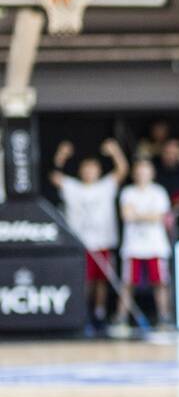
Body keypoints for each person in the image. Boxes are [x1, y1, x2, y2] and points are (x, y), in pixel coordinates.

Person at [50, 138, 129, 331]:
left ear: (98, 171)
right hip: (80, 244)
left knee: (101, 281)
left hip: (102, 241)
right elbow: (54, 177)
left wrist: (115, 151)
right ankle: (82, 313)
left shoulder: (105, 186)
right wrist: (61, 156)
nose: (89, 172)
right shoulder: (72, 187)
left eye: (92, 169)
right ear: (80, 171)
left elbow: (122, 170)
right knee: (84, 281)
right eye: (86, 169)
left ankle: (99, 314)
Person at [115, 160, 173, 331]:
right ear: (134, 174)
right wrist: (148, 215)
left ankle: (164, 317)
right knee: (127, 284)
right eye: (139, 172)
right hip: (133, 246)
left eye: (145, 172)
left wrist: (138, 214)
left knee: (160, 282)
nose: (142, 176)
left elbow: (159, 217)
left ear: (152, 174)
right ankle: (121, 318)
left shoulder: (159, 192)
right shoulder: (128, 192)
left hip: (155, 246)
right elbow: (127, 215)